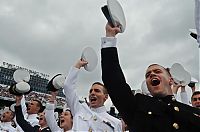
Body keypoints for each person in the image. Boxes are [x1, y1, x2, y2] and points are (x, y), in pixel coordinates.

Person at [100, 23, 200, 132]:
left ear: (171, 80)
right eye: (148, 75)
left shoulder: (190, 112)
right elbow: (115, 83)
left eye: (157, 71)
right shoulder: (137, 106)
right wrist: (110, 36)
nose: (152, 74)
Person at [63, 59, 122, 131]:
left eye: (97, 91)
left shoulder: (116, 123)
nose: (92, 93)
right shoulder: (79, 109)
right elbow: (68, 87)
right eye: (91, 91)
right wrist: (78, 65)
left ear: (106, 97)